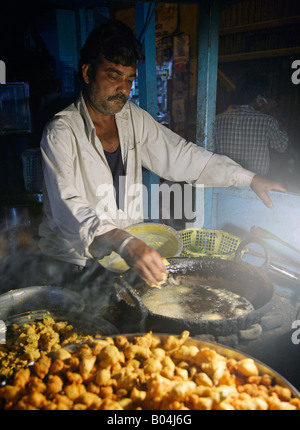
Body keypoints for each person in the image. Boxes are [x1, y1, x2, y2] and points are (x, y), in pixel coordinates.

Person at [39, 20, 286, 287]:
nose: (123, 89)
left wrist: (249, 179)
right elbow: (69, 207)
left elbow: (182, 157)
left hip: (122, 262)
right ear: (87, 73)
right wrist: (124, 241)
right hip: (74, 266)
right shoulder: (61, 132)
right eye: (113, 76)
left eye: (129, 79)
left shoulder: (133, 118)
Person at [214, 75, 288, 177]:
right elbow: (282, 146)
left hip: (223, 180)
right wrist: (273, 112)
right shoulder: (268, 122)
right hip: (255, 184)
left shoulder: (217, 120)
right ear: (259, 98)